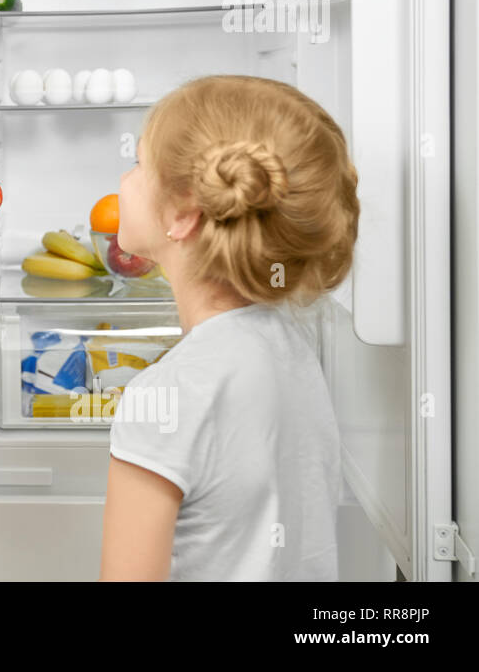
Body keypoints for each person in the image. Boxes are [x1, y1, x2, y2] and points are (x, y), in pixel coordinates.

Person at [99, 74, 358, 581]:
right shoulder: (291, 347)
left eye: (139, 164)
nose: (125, 180)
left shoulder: (168, 395)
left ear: (183, 214)